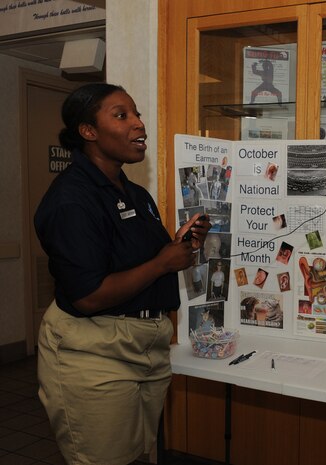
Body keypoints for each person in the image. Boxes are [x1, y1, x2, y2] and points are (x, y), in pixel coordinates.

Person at [33, 83, 211, 465]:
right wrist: (162, 262)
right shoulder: (71, 200)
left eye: (137, 114)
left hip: (147, 348)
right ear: (88, 132)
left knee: (137, 456)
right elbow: (89, 295)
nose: (138, 124)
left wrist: (181, 249)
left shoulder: (135, 194)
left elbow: (148, 264)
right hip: (94, 351)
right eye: (122, 115)